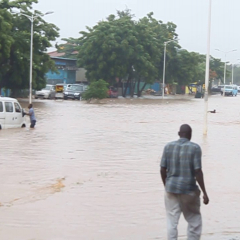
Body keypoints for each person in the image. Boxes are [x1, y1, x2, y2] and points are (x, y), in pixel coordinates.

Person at [160, 124, 209, 240]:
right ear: (190, 135)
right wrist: (205, 193)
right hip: (189, 189)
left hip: (170, 189)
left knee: (172, 221)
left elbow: (162, 169)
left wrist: (166, 185)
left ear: (179, 134)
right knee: (194, 220)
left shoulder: (168, 147)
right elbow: (198, 172)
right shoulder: (195, 148)